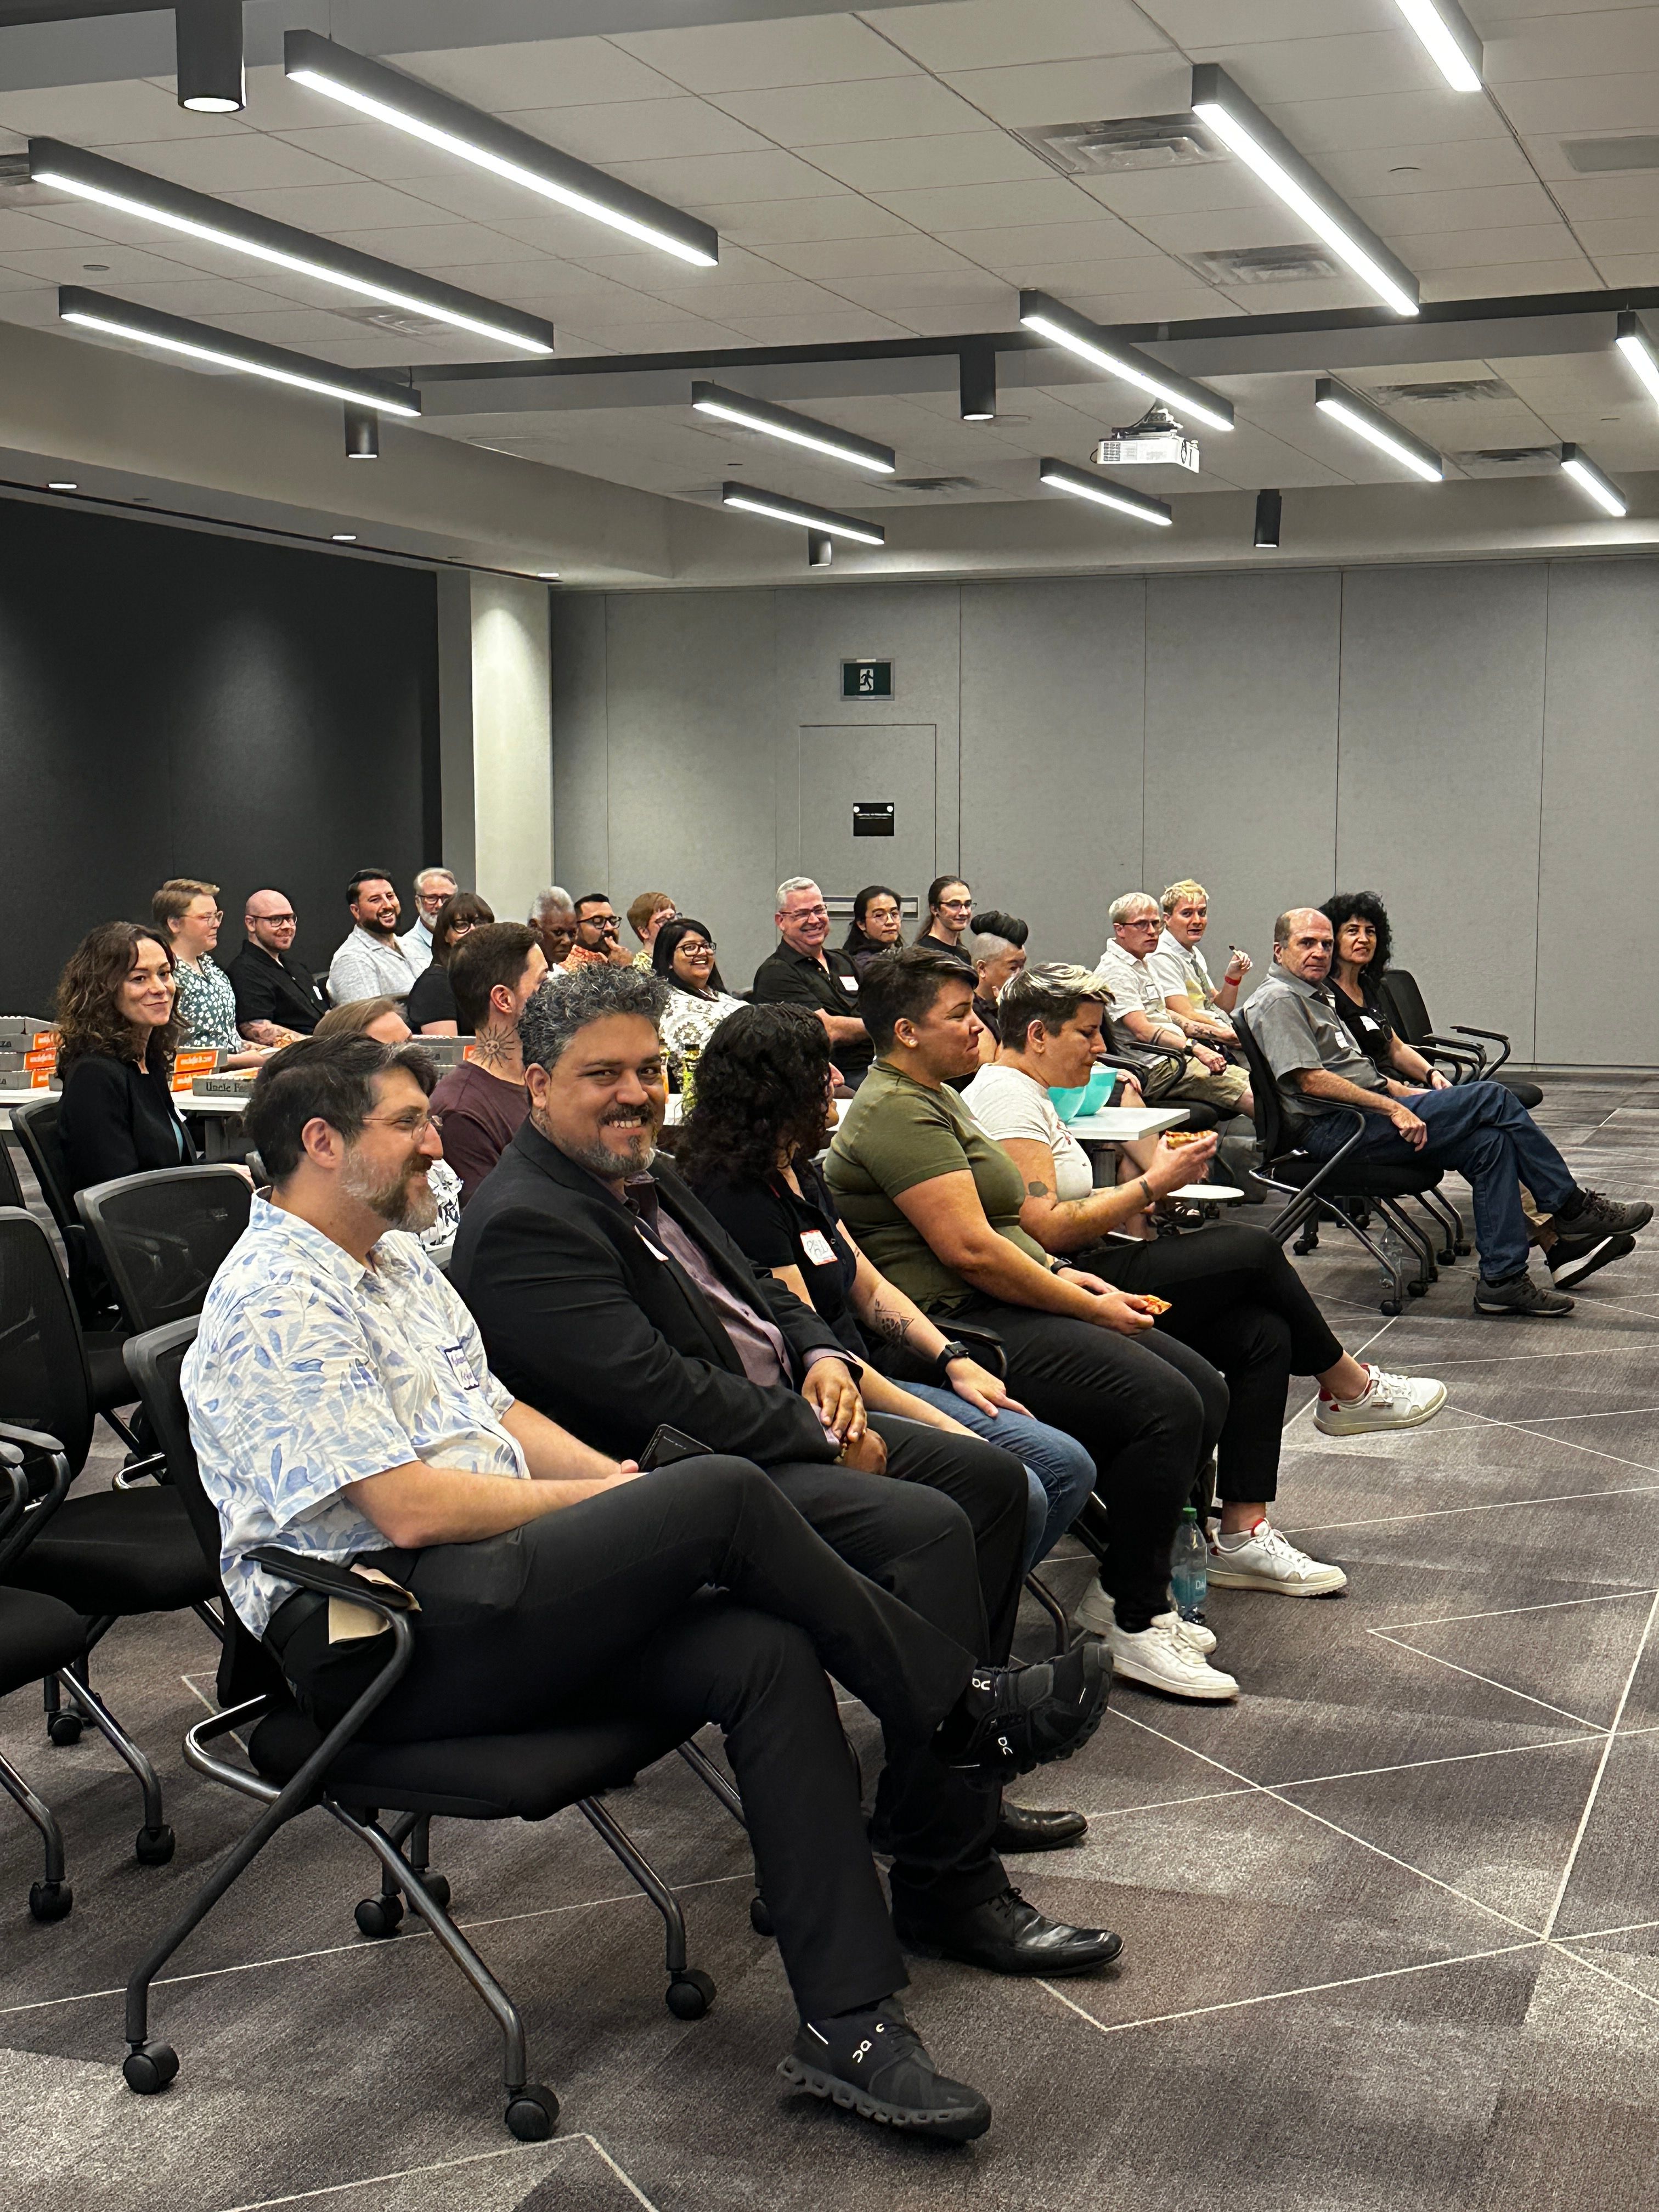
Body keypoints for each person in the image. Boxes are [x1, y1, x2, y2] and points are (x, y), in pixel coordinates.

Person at [185, 1031, 1110, 2142]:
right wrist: (607, 1511)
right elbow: (408, 1508)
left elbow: (495, 1417)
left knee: (761, 1654)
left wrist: (614, 1485)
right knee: (715, 1492)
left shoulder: (391, 1261)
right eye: (408, 1125)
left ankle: (850, 2026)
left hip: (480, 1590)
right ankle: (963, 1710)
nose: (438, 1142)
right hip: (369, 1629)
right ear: (323, 1144)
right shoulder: (279, 1298)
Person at [450, 963, 1117, 1968]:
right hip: (675, 1478)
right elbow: (659, 1394)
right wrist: (814, 1431)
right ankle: (955, 1858)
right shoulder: (525, 1221)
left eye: (647, 1069)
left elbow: (768, 1286)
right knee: (931, 1519)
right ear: (537, 1084)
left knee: (982, 1484)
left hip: (776, 1417)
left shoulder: (645, 1167)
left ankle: (942, 1793)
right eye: (602, 1074)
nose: (635, 1092)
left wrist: (817, 1355)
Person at [960, 964, 1447, 1612]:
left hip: (1084, 1263)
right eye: (1087, 1033)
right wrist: (1152, 1185)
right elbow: (1046, 1230)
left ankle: (1243, 1531)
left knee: (1261, 1335)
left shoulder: (1029, 1090)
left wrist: (1145, 1188)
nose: (1102, 1046)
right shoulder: (1007, 1097)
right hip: (1058, 1284)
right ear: (1037, 1035)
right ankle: (1346, 1384)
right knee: (1252, 1248)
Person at [826, 946, 1238, 1702]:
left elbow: (1003, 1227)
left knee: (1203, 1389)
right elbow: (971, 1252)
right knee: (1166, 1403)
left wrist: (1057, 1273)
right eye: (960, 1014)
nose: (977, 1025)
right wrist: (1089, 1304)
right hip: (955, 1328)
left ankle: (1122, 1588)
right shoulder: (895, 1110)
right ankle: (1135, 1621)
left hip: (1001, 1301)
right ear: (909, 1031)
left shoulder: (938, 1094)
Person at [677, 1002, 1097, 1589]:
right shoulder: (735, 1194)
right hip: (831, 1399)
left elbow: (867, 1284)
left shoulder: (796, 1167)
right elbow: (808, 1349)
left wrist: (953, 1359)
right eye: (818, 1069)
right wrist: (948, 1427)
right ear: (779, 1090)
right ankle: (948, 1640)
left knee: (1066, 1466)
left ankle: (955, 1621)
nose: (834, 1078)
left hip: (866, 1373)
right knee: (1022, 1481)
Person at [1250, 909, 1651, 1319]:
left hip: (1363, 1116)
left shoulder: (1315, 994)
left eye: (1325, 944)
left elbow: (1358, 1070)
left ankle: (1502, 1281)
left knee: (1490, 1144)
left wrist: (1407, 1092)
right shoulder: (1281, 1000)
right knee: (1492, 1098)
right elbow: (1310, 1082)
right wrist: (1395, 1106)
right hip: (1339, 1131)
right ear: (1280, 951)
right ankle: (1570, 1206)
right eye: (1307, 943)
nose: (1320, 952)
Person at [54, 921, 198, 1195]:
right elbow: (118, 1197)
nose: (160, 988)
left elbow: (171, 1168)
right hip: (142, 1229)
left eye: (165, 974)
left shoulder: (147, 1063)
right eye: (139, 978)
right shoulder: (94, 1076)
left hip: (173, 1214)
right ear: (103, 991)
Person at [1095, 893, 1252, 1119]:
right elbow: (1143, 1029)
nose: (1152, 931)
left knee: (1258, 1084)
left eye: (1154, 923)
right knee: (1252, 1094)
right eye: (1141, 924)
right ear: (1120, 929)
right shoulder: (1117, 971)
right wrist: (1195, 1048)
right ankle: (1280, 1150)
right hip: (1157, 1067)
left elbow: (1164, 1014)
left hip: (1175, 1057)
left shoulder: (1142, 961)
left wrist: (1213, 1035)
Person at [428, 924, 547, 1205]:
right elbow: (498, 1226)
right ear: (504, 999)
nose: (555, 994)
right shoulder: (463, 1114)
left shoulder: (548, 1076)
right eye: (543, 982)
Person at [753, 878, 871, 1087]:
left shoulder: (843, 961)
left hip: (872, 1067)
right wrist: (885, 1025)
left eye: (819, 910)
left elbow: (878, 1005)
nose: (815, 920)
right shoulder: (776, 973)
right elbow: (827, 1030)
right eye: (802, 914)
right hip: (826, 1079)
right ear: (781, 921)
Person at [153, 879, 269, 1070]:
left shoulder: (212, 968)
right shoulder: (165, 975)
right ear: (174, 923)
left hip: (230, 1079)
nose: (215, 924)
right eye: (206, 917)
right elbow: (167, 1054)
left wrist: (265, 1052)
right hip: (190, 1088)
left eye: (217, 916)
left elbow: (227, 1038)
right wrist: (241, 1061)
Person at [1148, 880, 1251, 1046]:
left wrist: (1232, 978)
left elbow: (1220, 1007)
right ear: (1167, 919)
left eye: (1202, 913)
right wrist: (1230, 1032)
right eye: (1187, 914)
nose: (1197, 921)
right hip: (1199, 1042)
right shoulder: (1162, 956)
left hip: (1216, 1036)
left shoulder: (1192, 952)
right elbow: (1185, 1014)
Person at [651, 915, 746, 1082]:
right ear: (668, 961)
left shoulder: (723, 998)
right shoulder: (670, 1006)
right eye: (690, 948)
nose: (702, 953)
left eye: (705, 946)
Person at [228, 889, 328, 1043]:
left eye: (290, 918)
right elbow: (258, 1030)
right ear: (251, 923)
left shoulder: (298, 969)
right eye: (276, 920)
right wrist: (322, 1045)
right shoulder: (245, 972)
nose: (288, 926)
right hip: (298, 1059)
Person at [404, 893, 494, 1036]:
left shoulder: (490, 978)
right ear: (446, 935)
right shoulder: (435, 984)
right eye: (462, 925)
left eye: (480, 924)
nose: (473, 931)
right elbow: (449, 1054)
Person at [327, 871, 418, 1007]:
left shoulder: (409, 945)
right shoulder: (352, 959)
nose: (388, 905)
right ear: (356, 911)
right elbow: (368, 1022)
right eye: (375, 900)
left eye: (390, 896)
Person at [967, 911, 1029, 1054]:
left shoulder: (1020, 1001)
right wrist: (1011, 1014)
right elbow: (993, 1066)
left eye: (1022, 967)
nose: (1019, 975)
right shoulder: (967, 1010)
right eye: (1013, 968)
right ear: (982, 969)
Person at [398, 867, 458, 977]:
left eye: (447, 898)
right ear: (418, 902)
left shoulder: (467, 939)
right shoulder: (404, 950)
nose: (440, 905)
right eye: (432, 898)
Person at [843, 886, 905, 979]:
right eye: (879, 915)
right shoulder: (862, 965)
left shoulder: (900, 954)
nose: (890, 922)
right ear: (861, 924)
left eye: (894, 914)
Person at [563, 893, 635, 970]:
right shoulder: (566, 970)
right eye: (597, 921)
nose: (610, 928)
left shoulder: (618, 961)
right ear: (575, 929)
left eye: (612, 921)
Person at [915, 877, 974, 965]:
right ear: (935, 909)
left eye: (967, 904)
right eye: (954, 905)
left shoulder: (963, 954)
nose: (964, 912)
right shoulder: (923, 955)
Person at [530, 888, 578, 972]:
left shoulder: (565, 972)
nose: (567, 941)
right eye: (558, 932)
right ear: (534, 928)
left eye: (572, 933)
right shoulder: (517, 975)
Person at [627, 891, 677, 971]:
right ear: (644, 932)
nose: (673, 924)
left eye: (673, 917)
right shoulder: (640, 970)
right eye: (663, 920)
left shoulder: (677, 961)